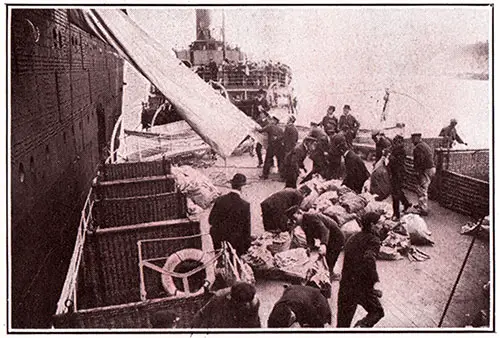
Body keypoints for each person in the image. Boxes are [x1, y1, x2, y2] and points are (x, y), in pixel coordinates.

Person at [337, 212, 384, 328]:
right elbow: (369, 258)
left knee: (342, 324)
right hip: (361, 287)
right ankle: (360, 328)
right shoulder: (373, 240)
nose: (382, 226)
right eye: (379, 223)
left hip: (346, 285)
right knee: (377, 312)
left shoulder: (353, 237)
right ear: (373, 225)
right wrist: (374, 281)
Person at [287, 206, 345, 281]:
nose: (295, 222)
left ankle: (330, 274)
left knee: (330, 257)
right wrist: (309, 247)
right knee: (324, 258)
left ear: (300, 213)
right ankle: (326, 273)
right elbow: (309, 236)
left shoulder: (310, 216)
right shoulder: (303, 222)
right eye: (292, 220)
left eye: (295, 219)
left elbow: (324, 229)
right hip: (328, 237)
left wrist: (323, 244)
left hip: (336, 237)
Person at [208, 173, 251, 255]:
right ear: (242, 187)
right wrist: (247, 247)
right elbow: (246, 229)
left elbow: (211, 220)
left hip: (219, 238)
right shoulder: (245, 205)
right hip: (236, 241)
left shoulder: (220, 200)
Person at [191, 282, 261, 328]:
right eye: (243, 304)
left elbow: (254, 324)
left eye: (247, 303)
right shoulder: (219, 297)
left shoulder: (254, 302)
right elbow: (202, 314)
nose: (246, 305)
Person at [268, 285, 332, 328]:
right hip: (293, 289)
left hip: (315, 298)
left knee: (321, 321)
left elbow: (317, 322)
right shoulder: (277, 308)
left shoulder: (308, 307)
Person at [411, 133, 436, 216]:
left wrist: (418, 172)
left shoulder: (418, 147)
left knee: (422, 189)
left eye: (413, 138)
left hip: (426, 169)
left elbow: (419, 161)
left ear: (418, 138)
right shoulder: (424, 145)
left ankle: (423, 209)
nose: (412, 140)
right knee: (423, 188)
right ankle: (421, 205)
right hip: (431, 168)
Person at [388, 135, 411, 220]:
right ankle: (406, 203)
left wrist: (390, 157)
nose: (395, 143)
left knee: (395, 194)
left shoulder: (401, 151)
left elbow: (397, 163)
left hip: (398, 174)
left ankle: (396, 214)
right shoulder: (395, 150)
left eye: (397, 142)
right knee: (397, 191)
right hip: (395, 174)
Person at [252, 89, 271, 167]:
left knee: (268, 149)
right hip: (260, 133)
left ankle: (270, 162)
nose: (260, 95)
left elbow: (268, 108)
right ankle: (260, 162)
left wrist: (263, 109)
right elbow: (253, 110)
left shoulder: (265, 101)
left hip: (265, 134)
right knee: (258, 148)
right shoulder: (255, 101)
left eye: (261, 94)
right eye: (259, 94)